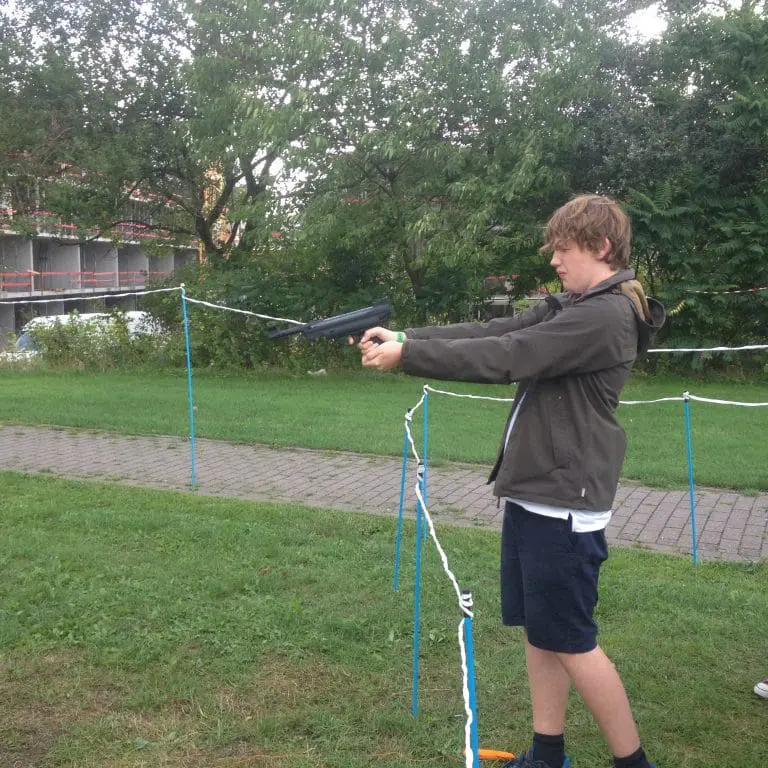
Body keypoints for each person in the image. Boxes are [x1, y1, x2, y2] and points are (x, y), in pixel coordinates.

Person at [356, 194, 666, 768]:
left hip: (564, 503)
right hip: (539, 493)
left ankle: (635, 764)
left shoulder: (603, 316)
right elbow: (496, 328)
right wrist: (408, 336)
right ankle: (547, 754)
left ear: (601, 247)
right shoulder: (576, 305)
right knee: (543, 633)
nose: (554, 259)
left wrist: (409, 356)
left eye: (564, 248)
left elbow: (509, 355)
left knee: (573, 641)